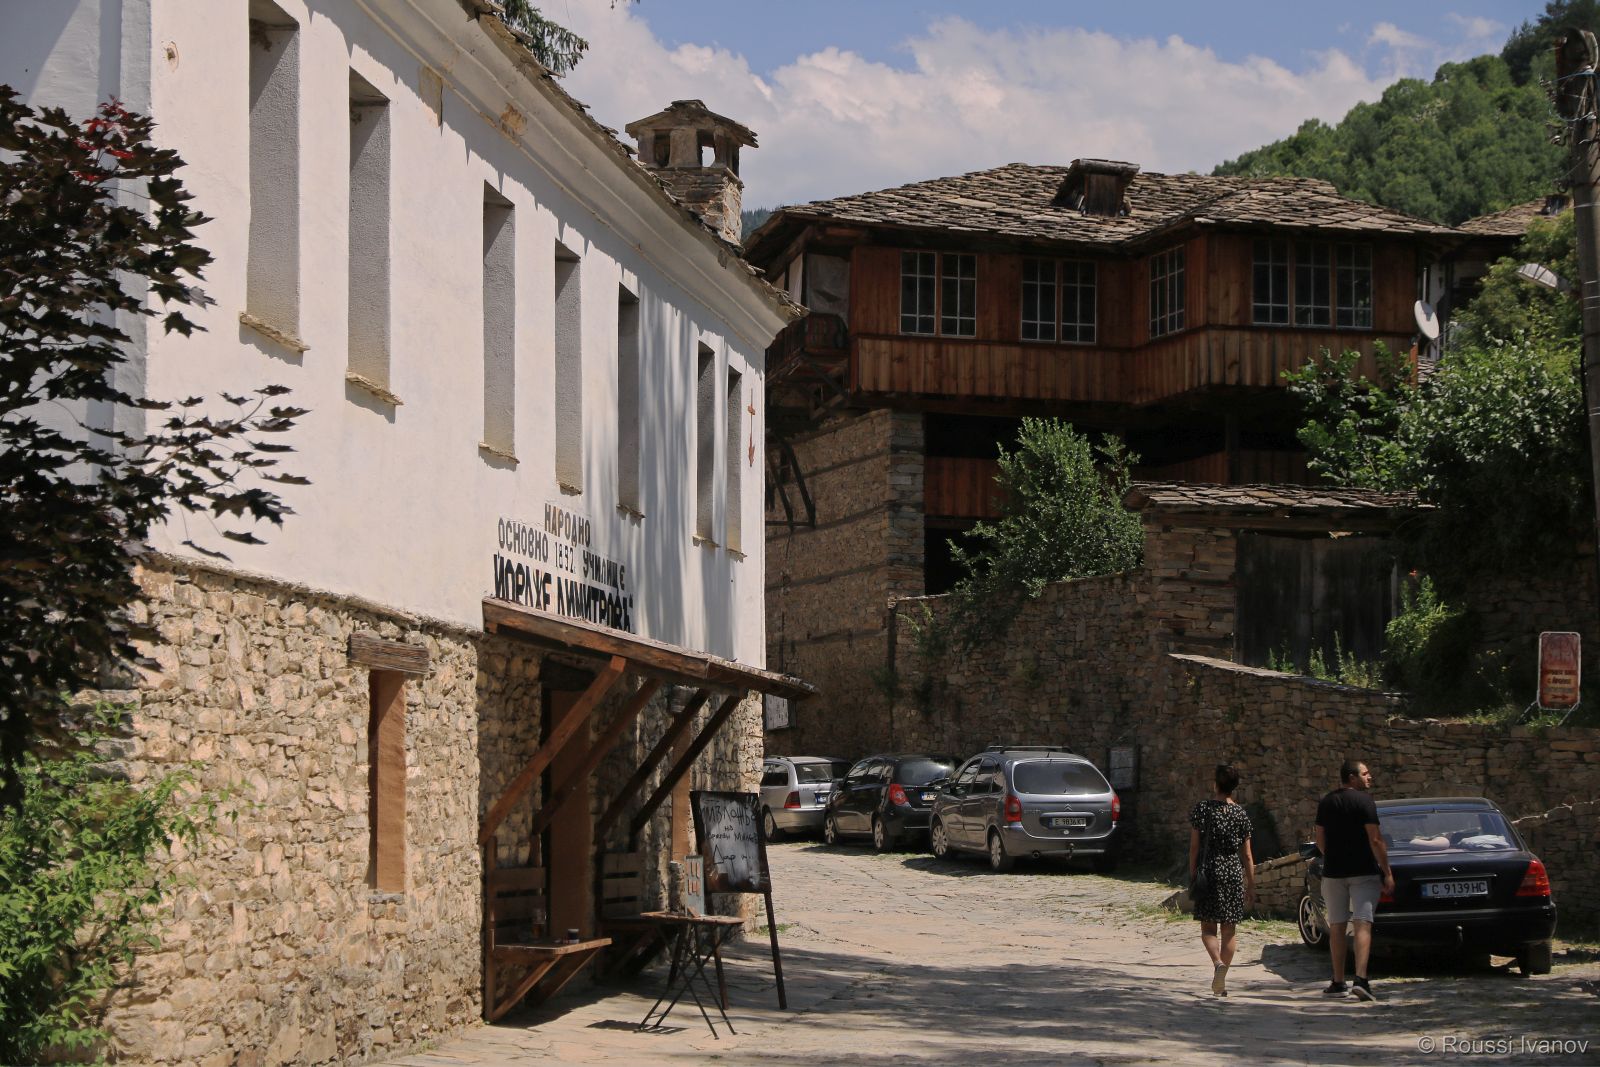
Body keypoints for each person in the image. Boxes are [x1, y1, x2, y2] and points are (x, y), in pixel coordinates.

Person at [1314, 759, 1394, 1002]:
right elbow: (1376, 839)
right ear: (1352, 777)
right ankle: (1361, 979)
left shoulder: (1326, 802)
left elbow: (1319, 838)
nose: (1370, 777)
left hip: (1333, 873)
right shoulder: (1365, 802)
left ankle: (1338, 981)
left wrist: (1332, 857)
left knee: (1337, 925)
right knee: (1362, 923)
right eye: (1365, 774)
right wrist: (1387, 872)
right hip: (1363, 871)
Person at [1188, 764, 1255, 997]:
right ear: (1234, 787)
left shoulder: (1203, 809)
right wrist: (1251, 884)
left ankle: (1217, 963)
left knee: (1208, 928)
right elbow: (1247, 855)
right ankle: (1221, 981)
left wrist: (1193, 873)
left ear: (1215, 784)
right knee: (1229, 930)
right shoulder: (1240, 814)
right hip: (1233, 873)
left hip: (1209, 871)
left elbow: (1194, 847)